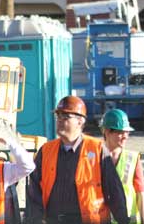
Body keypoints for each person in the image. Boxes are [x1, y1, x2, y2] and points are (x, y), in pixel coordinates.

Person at [27, 96, 129, 224]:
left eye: (65, 117)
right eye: (58, 116)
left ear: (80, 121)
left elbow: (114, 190)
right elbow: (34, 191)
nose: (59, 121)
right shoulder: (46, 150)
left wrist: (123, 219)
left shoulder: (97, 149)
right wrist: (34, 219)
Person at [100, 109, 144, 224]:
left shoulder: (133, 158)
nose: (125, 136)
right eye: (120, 132)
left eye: (127, 132)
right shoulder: (94, 159)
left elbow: (140, 194)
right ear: (106, 132)